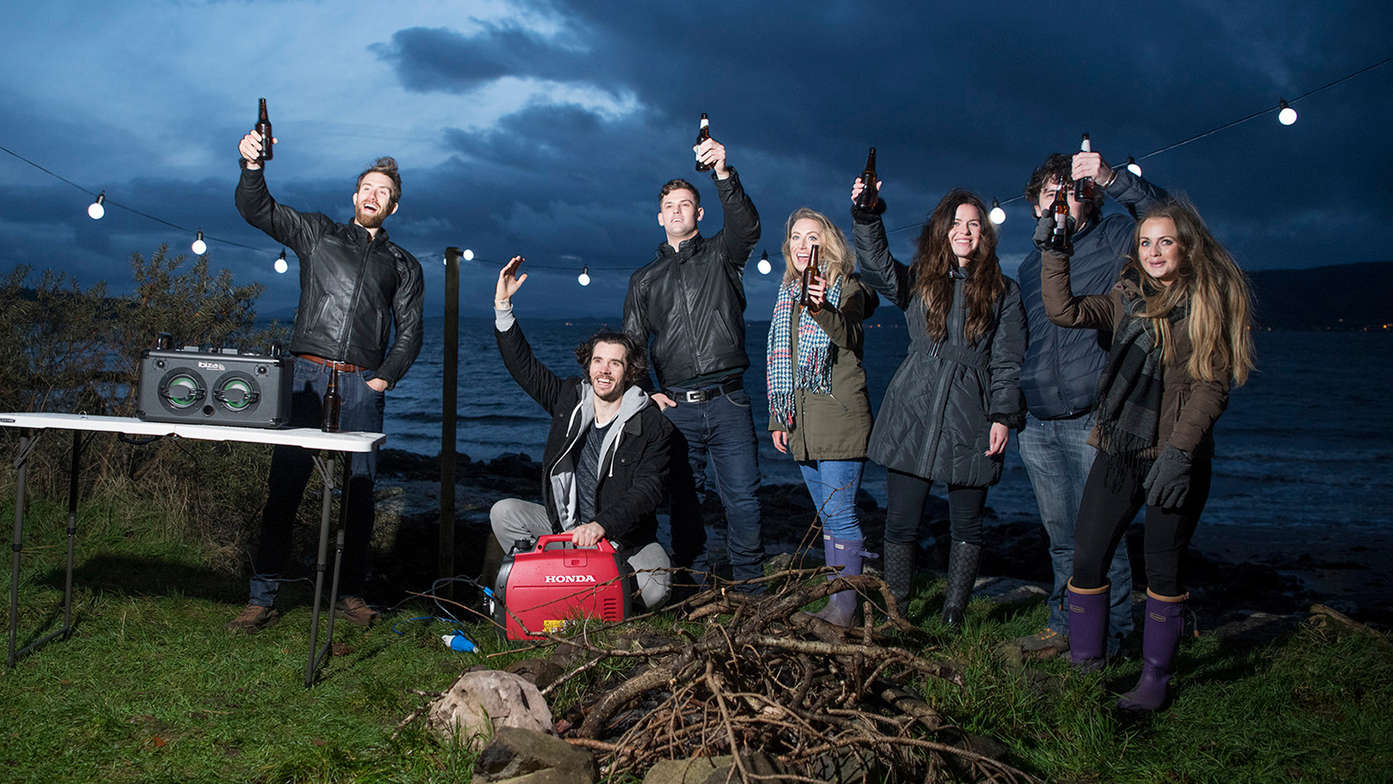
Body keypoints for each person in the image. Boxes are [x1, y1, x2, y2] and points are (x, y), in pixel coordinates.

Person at [1040, 199, 1255, 712]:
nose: (1154, 252)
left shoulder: (1206, 302)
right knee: (1087, 555)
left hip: (1176, 456)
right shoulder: (1126, 296)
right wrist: (1055, 249)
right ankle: (1086, 668)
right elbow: (1063, 310)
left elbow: (1211, 388)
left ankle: (1155, 680)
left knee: (1164, 568)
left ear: (1185, 248)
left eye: (1165, 242)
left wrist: (1179, 455)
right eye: (1145, 243)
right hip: (1121, 444)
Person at [227, 130, 423, 632]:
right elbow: (258, 209)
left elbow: (411, 332)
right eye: (367, 188)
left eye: (383, 191)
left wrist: (383, 380)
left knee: (359, 497)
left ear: (393, 207)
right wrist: (252, 167)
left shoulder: (403, 265)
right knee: (285, 489)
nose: (373, 195)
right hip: (308, 379)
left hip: (362, 385)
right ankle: (262, 596)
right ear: (354, 196)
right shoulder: (318, 233)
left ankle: (350, 594)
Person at [1013, 149, 1169, 657]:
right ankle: (1066, 625)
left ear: (1088, 200)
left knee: (1102, 537)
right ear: (1036, 206)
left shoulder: (1117, 240)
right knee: (1061, 535)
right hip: (1038, 421)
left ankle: (1115, 636)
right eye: (1048, 194)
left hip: (1094, 416)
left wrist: (1110, 177)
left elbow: (1167, 221)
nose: (1058, 201)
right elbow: (1022, 342)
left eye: (1069, 192)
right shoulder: (1029, 264)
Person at [851, 183, 1027, 625]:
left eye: (973, 224)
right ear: (942, 230)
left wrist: (1003, 416)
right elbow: (875, 263)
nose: (964, 231)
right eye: (956, 223)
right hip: (912, 408)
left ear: (984, 234)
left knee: (967, 524)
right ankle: (898, 609)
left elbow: (1008, 361)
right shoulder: (919, 280)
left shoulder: (1004, 291)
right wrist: (867, 215)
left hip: (973, 414)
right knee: (900, 523)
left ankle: (953, 611)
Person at [491, 256, 674, 610]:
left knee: (656, 588)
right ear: (588, 365)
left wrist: (602, 525)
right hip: (567, 529)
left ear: (629, 372)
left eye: (615, 363)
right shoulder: (569, 401)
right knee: (504, 512)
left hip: (624, 539)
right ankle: (554, 585)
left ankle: (593, 592)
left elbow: (648, 491)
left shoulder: (650, 422)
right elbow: (525, 368)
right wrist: (503, 306)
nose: (604, 370)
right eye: (598, 361)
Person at [623, 130, 763, 589]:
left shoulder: (723, 254)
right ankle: (689, 590)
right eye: (670, 206)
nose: (677, 211)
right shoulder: (644, 279)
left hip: (729, 401)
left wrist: (723, 173)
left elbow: (748, 227)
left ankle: (752, 589)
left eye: (686, 204)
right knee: (685, 503)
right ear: (659, 217)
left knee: (743, 499)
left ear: (699, 213)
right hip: (678, 407)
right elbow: (632, 345)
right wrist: (646, 392)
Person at [764, 208, 879, 626]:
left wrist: (819, 306)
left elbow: (850, 332)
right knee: (828, 517)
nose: (802, 245)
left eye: (812, 237)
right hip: (803, 425)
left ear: (828, 244)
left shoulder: (849, 287)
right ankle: (839, 603)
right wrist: (779, 420)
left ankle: (845, 611)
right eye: (795, 237)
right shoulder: (787, 294)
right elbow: (786, 364)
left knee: (842, 514)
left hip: (840, 417)